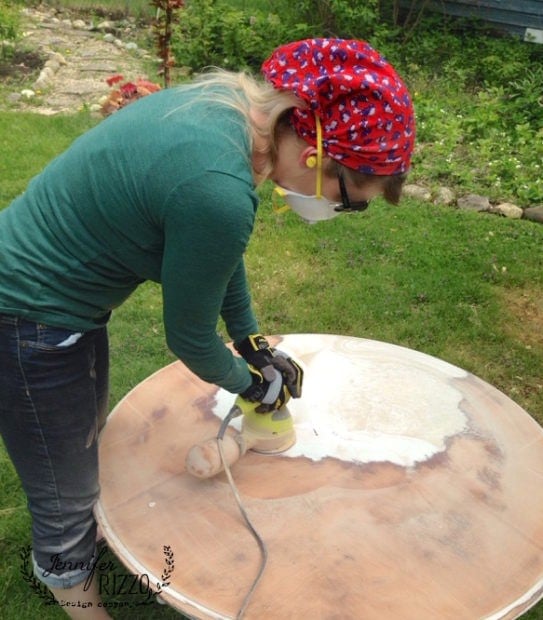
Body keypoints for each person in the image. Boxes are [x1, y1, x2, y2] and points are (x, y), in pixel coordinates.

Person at [0, 38, 415, 617]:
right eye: (350, 200)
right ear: (320, 152)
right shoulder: (217, 190)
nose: (338, 212)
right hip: (27, 320)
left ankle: (85, 531)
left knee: (84, 436)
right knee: (62, 485)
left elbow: (216, 257)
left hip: (57, 305)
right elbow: (190, 338)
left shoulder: (225, 114)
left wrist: (251, 342)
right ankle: (72, 576)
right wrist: (250, 385)